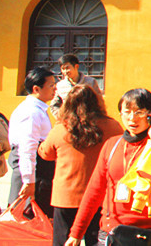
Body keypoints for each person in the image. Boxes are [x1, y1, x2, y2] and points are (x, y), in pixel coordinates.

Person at [64, 88, 151, 246]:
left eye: (139, 112)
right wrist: (76, 232)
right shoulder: (112, 145)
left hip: (150, 232)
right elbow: (94, 190)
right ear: (120, 113)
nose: (132, 118)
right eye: (127, 111)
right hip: (112, 229)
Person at [39, 85, 123, 246]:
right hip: (99, 196)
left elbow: (45, 154)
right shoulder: (112, 127)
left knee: (62, 241)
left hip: (66, 196)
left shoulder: (62, 129)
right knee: (96, 240)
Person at [8, 66, 57, 218]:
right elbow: (27, 148)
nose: (55, 89)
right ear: (36, 88)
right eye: (51, 85)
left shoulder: (38, 109)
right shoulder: (31, 112)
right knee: (25, 217)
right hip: (34, 168)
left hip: (40, 167)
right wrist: (29, 181)